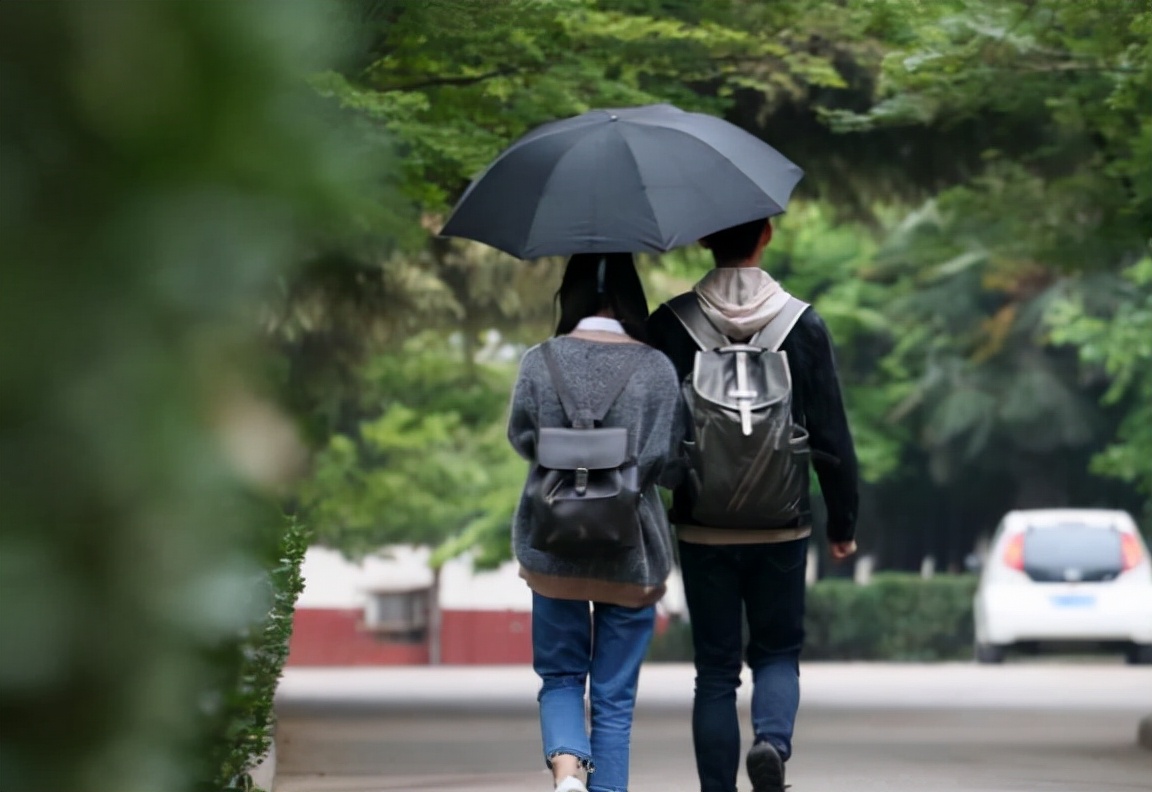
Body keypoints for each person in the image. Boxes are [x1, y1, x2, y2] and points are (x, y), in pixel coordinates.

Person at [647, 217, 860, 792]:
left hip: (702, 524)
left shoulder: (670, 325)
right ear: (766, 234)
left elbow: (654, 428)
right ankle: (771, 742)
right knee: (777, 652)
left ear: (703, 238)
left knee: (715, 671)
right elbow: (832, 435)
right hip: (782, 523)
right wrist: (842, 524)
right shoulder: (803, 323)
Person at [508, 252, 685, 792]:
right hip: (632, 551)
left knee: (561, 677)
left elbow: (522, 439)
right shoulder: (656, 367)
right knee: (613, 700)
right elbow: (670, 461)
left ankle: (567, 774)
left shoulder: (541, 361)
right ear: (633, 298)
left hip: (552, 546)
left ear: (571, 295)